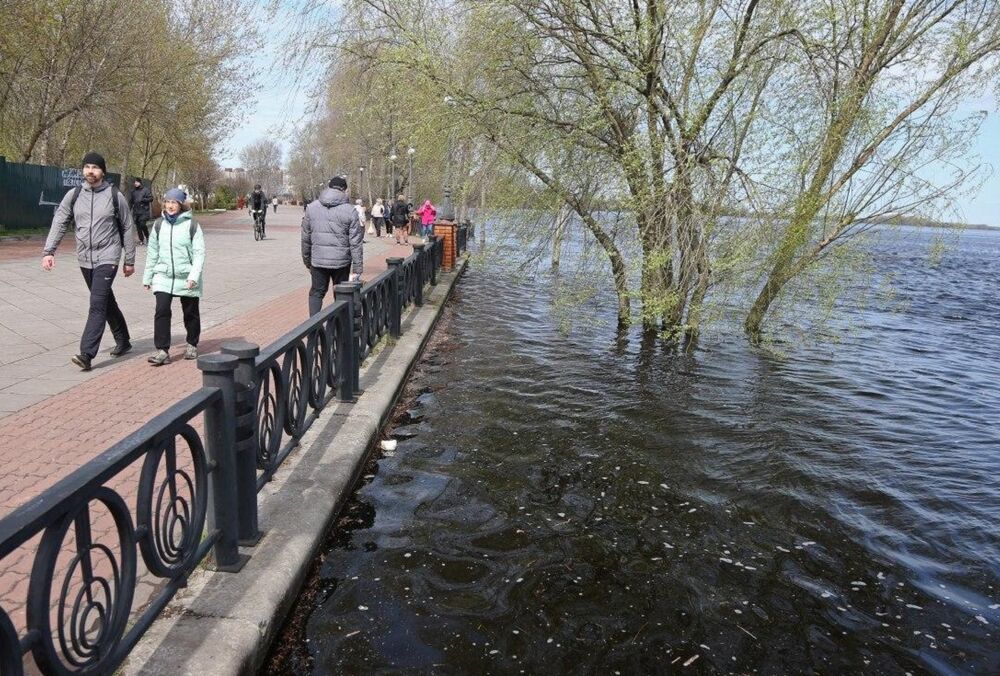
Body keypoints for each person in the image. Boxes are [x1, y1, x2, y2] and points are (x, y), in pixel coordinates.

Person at [41, 152, 137, 371]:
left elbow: (127, 226)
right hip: (85, 258)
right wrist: (49, 251)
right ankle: (123, 340)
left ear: (103, 171)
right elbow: (60, 221)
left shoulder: (114, 195)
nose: (90, 171)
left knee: (97, 303)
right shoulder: (74, 195)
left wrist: (129, 259)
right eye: (87, 167)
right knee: (105, 300)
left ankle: (87, 353)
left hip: (108, 255)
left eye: (95, 167)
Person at [143, 188, 205, 366]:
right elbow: (152, 253)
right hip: (163, 275)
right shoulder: (158, 225)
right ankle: (162, 351)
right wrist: (148, 277)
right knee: (161, 311)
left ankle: (192, 344)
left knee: (190, 313)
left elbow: (199, 253)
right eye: (167, 202)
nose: (170, 206)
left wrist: (193, 276)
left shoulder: (192, 225)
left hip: (186, 275)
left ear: (181, 205)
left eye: (174, 203)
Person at [302, 176, 363, 316]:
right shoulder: (350, 210)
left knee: (316, 293)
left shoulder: (312, 208)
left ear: (329, 187)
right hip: (341, 262)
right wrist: (357, 268)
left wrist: (307, 260)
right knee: (341, 294)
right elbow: (355, 242)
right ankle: (339, 326)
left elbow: (305, 238)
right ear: (344, 190)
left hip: (318, 260)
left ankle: (314, 326)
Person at [129, 177, 152, 245]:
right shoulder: (133, 191)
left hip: (144, 211)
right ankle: (141, 240)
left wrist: (143, 199)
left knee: (142, 224)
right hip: (136, 211)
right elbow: (131, 202)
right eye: (135, 182)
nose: (135, 183)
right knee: (138, 227)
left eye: (137, 182)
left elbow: (151, 198)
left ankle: (147, 237)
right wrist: (129, 210)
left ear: (140, 183)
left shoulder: (145, 190)